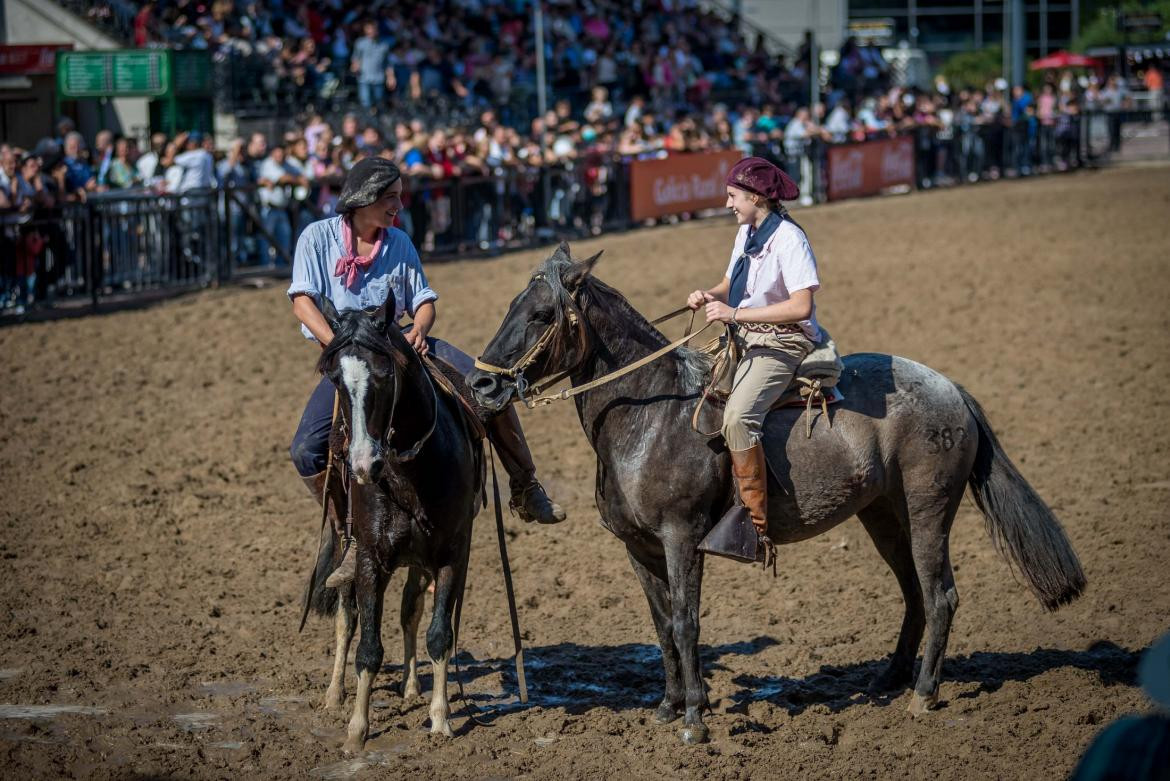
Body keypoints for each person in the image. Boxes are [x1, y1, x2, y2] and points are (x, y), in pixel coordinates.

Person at [287, 158, 565, 586]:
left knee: (485, 385)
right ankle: (350, 536)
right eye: (391, 197)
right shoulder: (316, 238)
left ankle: (526, 486)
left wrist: (419, 328)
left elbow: (423, 299)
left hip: (400, 345)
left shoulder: (398, 242)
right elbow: (302, 300)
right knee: (307, 447)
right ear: (363, 199)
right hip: (350, 359)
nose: (399, 205)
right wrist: (340, 347)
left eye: (399, 196)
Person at [685, 157, 822, 555]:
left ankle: (755, 526)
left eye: (732, 196)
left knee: (739, 416)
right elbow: (732, 283)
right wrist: (708, 295)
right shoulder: (746, 232)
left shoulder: (790, 239)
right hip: (746, 334)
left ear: (756, 196)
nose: (728, 204)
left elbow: (800, 307)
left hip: (783, 342)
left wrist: (734, 314)